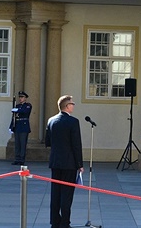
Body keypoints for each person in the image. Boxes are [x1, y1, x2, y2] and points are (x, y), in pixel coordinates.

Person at [45, 95, 83, 228]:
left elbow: (47, 142)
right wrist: (80, 164)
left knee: (55, 193)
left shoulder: (51, 120)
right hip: (69, 163)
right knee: (66, 195)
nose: (73, 105)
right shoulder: (73, 122)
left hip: (55, 162)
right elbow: (76, 144)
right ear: (67, 106)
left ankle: (55, 222)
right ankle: (65, 223)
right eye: (72, 103)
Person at [9, 91, 32, 165]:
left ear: (25, 98)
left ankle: (22, 159)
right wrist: (11, 126)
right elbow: (14, 118)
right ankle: (17, 159)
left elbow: (25, 112)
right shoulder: (17, 106)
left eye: (22, 97)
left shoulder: (28, 105)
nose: (20, 98)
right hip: (17, 126)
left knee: (22, 144)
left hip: (24, 126)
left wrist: (17, 110)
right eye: (20, 97)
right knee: (17, 144)